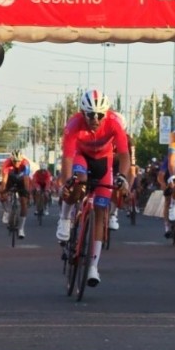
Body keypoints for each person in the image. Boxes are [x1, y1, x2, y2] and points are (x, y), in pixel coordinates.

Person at [56, 89, 130, 287]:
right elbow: (67, 158)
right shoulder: (74, 124)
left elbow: (124, 155)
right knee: (77, 182)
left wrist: (123, 177)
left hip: (103, 162)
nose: (95, 119)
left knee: (100, 211)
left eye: (99, 115)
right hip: (81, 157)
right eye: (90, 114)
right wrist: (66, 183)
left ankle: (93, 267)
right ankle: (64, 217)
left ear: (106, 113)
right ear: (83, 113)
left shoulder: (114, 123)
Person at [0, 149, 31, 239]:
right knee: (2, 195)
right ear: (11, 160)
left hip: (21, 180)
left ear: (21, 159)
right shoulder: (6, 164)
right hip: (10, 179)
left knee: (24, 203)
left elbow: (26, 180)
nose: (17, 163)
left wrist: (26, 192)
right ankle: (6, 211)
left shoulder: (26, 164)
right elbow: (4, 181)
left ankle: (21, 228)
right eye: (15, 161)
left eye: (19, 161)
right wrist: (3, 191)